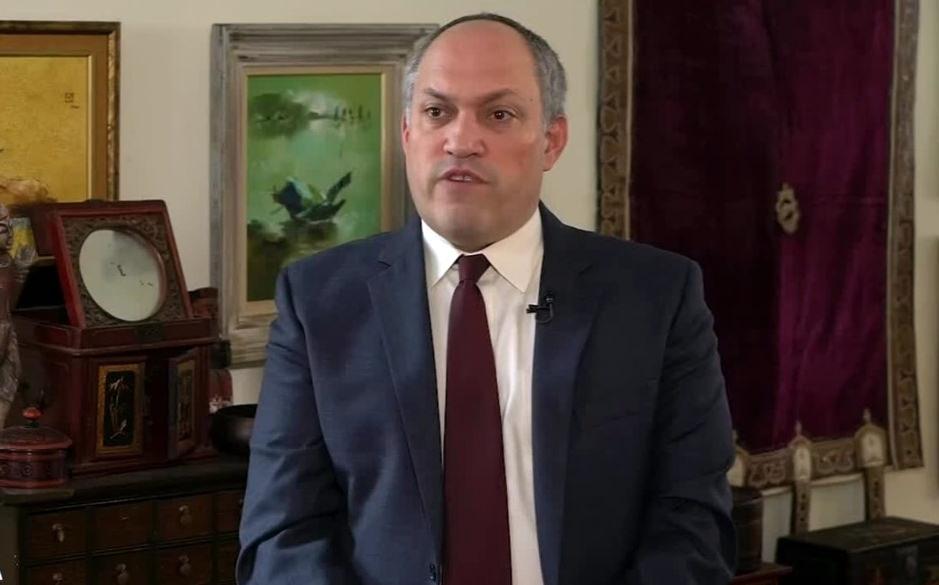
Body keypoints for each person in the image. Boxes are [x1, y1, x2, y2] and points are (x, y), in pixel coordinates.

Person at [237, 13, 736, 585]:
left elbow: (693, 524)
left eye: (499, 115)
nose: (461, 141)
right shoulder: (318, 302)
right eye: (437, 112)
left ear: (551, 141)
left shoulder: (655, 297)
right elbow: (282, 535)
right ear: (407, 133)